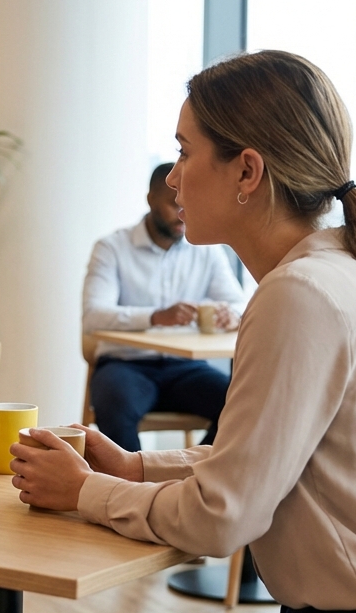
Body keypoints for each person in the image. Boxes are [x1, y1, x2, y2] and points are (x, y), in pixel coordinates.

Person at [12, 50, 356, 613]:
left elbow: (221, 517)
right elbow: (264, 456)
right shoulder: (341, 272)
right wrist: (137, 466)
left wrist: (86, 490)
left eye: (184, 152)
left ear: (247, 171)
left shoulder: (300, 295)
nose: (173, 178)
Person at [82, 163, 248, 450]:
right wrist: (156, 317)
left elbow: (240, 303)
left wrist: (231, 314)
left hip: (185, 368)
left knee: (241, 405)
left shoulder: (207, 251)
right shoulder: (112, 248)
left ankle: (188, 478)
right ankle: (129, 489)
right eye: (173, 204)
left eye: (187, 205)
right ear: (150, 199)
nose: (182, 213)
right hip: (125, 364)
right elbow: (93, 316)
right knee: (114, 402)